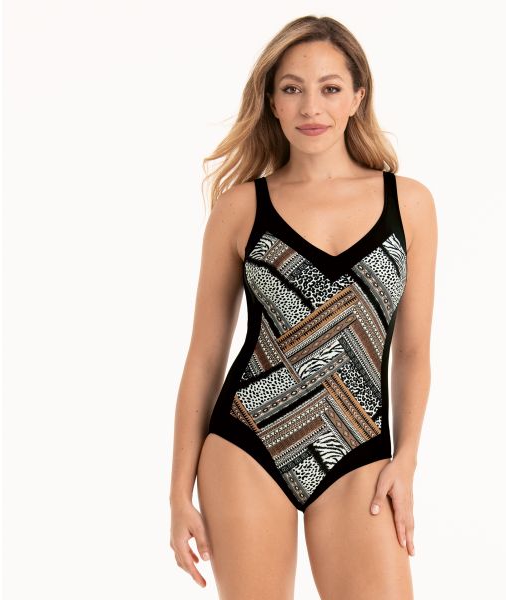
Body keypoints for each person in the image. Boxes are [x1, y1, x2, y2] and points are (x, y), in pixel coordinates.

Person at [169, 15, 437, 599]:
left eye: (330, 88)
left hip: (358, 446)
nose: (311, 106)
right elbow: (205, 356)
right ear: (272, 101)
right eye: (292, 88)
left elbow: (414, 351)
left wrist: (406, 461)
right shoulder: (241, 209)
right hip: (248, 442)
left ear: (357, 97)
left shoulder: (408, 203)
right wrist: (177, 494)